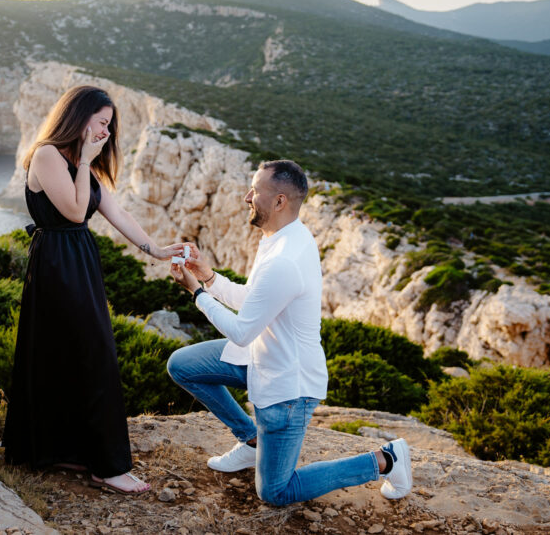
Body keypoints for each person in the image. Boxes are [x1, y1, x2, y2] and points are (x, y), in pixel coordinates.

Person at [166, 160, 413, 506]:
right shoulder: (283, 237)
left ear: (280, 201)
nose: (246, 196)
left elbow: (240, 331)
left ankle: (387, 460)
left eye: (255, 191)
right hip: (263, 356)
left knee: (275, 492)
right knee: (182, 365)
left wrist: (197, 293)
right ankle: (252, 441)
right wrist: (208, 276)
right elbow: (254, 300)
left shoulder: (284, 259)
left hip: (287, 387)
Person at [2, 85, 190, 495]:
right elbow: (71, 211)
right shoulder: (48, 154)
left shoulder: (81, 162)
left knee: (75, 356)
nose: (106, 131)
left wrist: (155, 249)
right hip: (55, 265)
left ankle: (67, 451)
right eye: (101, 122)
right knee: (89, 355)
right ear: (79, 116)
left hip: (79, 261)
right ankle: (106, 467)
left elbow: (114, 211)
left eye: (109, 125)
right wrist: (86, 160)